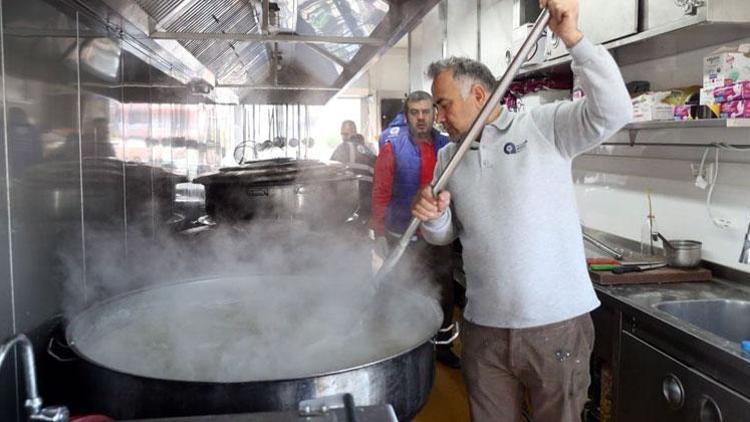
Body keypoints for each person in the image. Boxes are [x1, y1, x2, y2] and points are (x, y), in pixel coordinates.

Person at [410, 0, 633, 420]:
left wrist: (573, 39)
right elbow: (445, 235)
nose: (438, 117)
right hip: (485, 327)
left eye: (443, 105)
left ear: (478, 94)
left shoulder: (543, 127)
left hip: (555, 325)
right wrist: (434, 215)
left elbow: (615, 112)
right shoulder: (447, 159)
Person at [370, 91, 460, 368]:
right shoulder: (392, 146)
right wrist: (379, 232)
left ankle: (443, 346)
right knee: (403, 288)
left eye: (425, 111)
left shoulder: (448, 146)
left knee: (444, 291)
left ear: (435, 113)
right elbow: (381, 190)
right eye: (414, 112)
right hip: (401, 233)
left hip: (438, 235)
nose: (421, 118)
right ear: (407, 115)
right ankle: (403, 346)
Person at [330, 122, 376, 233]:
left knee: (349, 230)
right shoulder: (368, 150)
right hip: (370, 196)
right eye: (342, 134)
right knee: (363, 230)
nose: (343, 137)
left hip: (353, 195)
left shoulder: (344, 147)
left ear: (354, 132)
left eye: (345, 134)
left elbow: (330, 169)